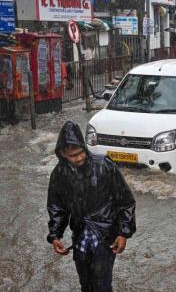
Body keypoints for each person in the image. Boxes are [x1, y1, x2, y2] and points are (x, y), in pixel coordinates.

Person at [47, 121, 136, 292]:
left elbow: (125, 201)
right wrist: (55, 235)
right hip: (80, 236)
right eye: (73, 155)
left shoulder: (104, 165)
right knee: (86, 285)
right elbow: (57, 207)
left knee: (102, 285)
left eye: (81, 152)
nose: (79, 157)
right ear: (63, 153)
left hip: (105, 235)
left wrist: (123, 233)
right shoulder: (59, 174)